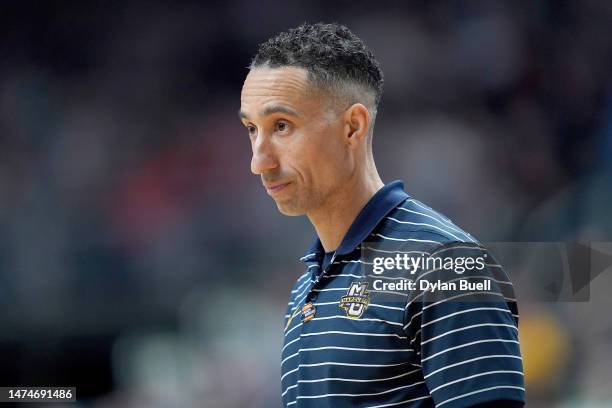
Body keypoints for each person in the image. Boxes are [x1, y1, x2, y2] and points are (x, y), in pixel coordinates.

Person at [239, 22, 525, 408]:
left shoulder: (445, 266)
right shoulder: (306, 287)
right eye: (252, 129)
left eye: (282, 126)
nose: (259, 161)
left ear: (353, 127)